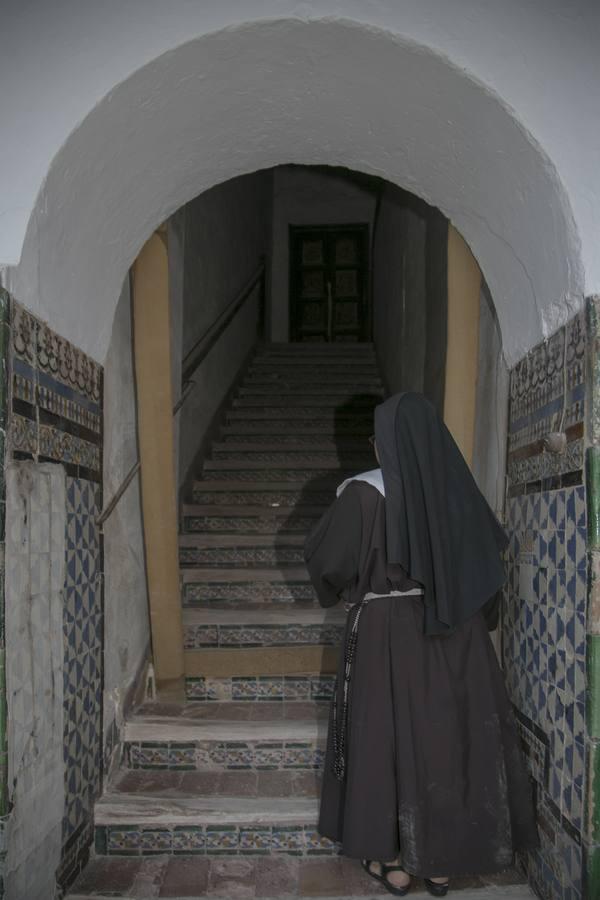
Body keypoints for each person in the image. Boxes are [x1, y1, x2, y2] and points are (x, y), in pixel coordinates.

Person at [303, 392, 539, 897]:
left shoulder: (364, 494)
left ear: (383, 441)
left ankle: (392, 860)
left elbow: (328, 562)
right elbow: (489, 567)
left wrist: (349, 590)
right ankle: (441, 865)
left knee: (383, 738)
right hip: (460, 635)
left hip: (388, 633)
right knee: (447, 742)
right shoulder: (459, 491)